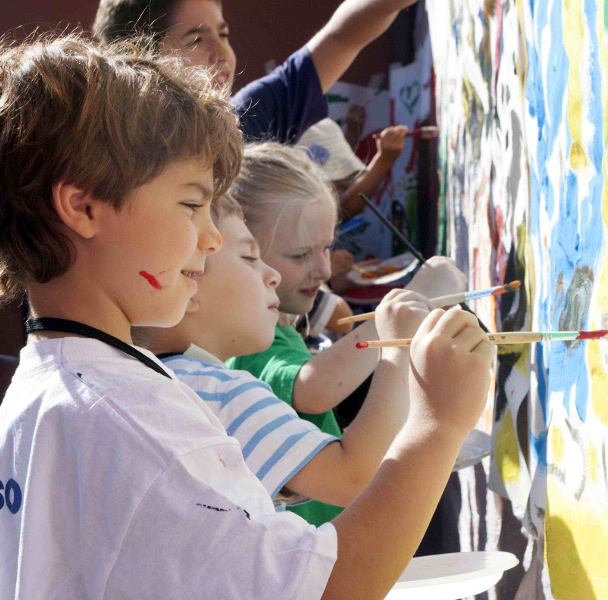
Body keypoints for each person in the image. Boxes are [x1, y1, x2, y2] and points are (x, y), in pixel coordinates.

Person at [0, 31, 496, 599]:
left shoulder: (43, 402)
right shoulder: (134, 420)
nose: (211, 238)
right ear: (83, 206)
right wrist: (438, 423)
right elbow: (334, 586)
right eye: (191, 204)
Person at [136, 194, 431, 509]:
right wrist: (398, 346)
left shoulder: (158, 384)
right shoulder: (214, 393)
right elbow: (354, 479)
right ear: (187, 283)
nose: (272, 275)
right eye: (250, 258)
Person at [226, 142, 467, 525]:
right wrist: (408, 307)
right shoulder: (250, 343)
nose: (323, 269)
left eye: (326, 248)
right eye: (301, 255)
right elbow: (315, 387)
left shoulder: (280, 327)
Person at [92, 0, 420, 143]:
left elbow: (340, 37)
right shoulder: (126, 169)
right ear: (137, 60)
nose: (222, 54)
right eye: (195, 39)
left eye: (223, 34)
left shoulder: (246, 119)